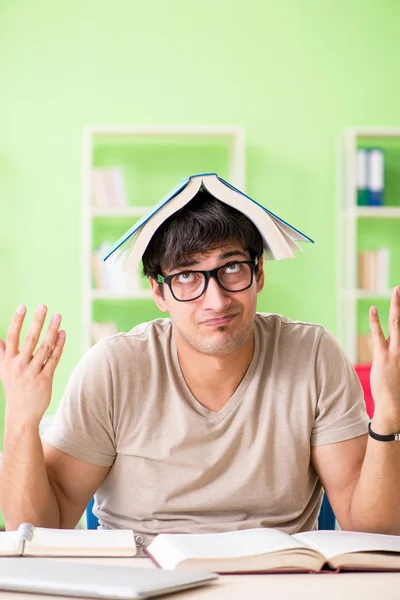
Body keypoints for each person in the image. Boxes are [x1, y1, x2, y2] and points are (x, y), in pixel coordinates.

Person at [1, 192, 400, 539]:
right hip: (143, 581)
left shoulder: (313, 354)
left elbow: (373, 529)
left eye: (231, 268)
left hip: (279, 582)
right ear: (159, 291)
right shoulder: (115, 366)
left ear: (258, 272)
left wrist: (388, 415)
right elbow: (39, 526)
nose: (216, 300)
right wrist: (20, 416)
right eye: (188, 275)